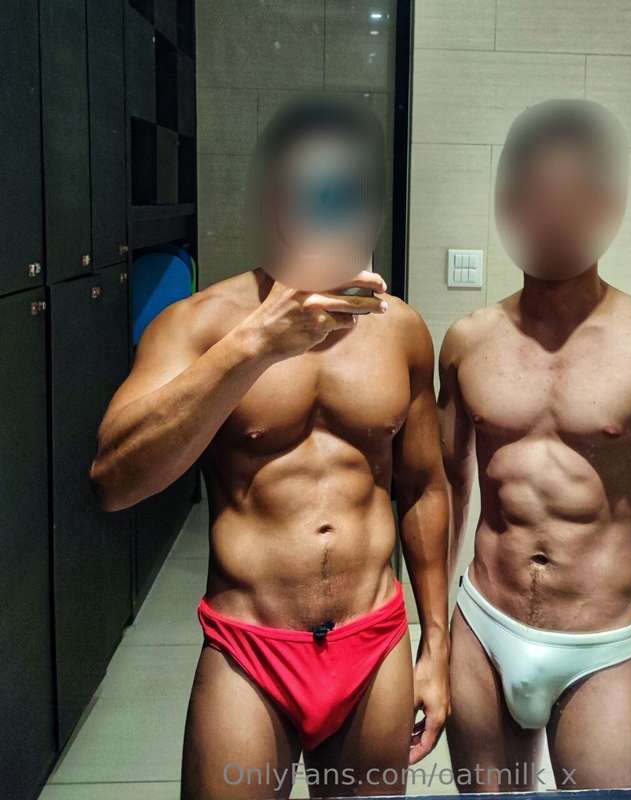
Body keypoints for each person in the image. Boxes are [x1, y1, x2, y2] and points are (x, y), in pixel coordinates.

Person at [90, 96, 449, 799]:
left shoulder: (403, 331)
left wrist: (435, 645)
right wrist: (254, 346)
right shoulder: (197, 326)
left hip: (374, 640)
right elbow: (112, 480)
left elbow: (425, 487)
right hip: (248, 648)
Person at [439, 99, 631, 791]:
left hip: (598, 647)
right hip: (482, 624)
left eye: (572, 194)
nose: (552, 212)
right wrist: (430, 635)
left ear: (606, 203)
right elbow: (442, 487)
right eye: (535, 193)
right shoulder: (467, 342)